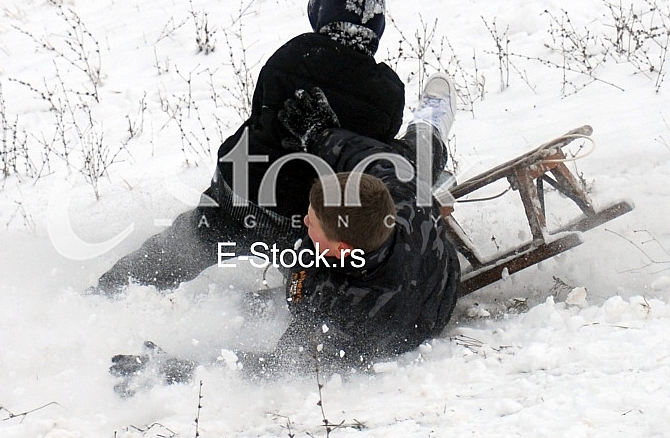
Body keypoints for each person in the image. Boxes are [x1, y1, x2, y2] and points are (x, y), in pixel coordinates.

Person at [110, 76, 462, 387]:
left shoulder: (343, 314)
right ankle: (431, 121)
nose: (305, 221)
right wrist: (319, 132)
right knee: (412, 159)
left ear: (339, 248)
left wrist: (175, 371)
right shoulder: (401, 196)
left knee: (297, 283)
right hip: (426, 269)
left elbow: (275, 367)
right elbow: (362, 154)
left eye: (313, 223)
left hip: (414, 317)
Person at [96, 0, 406, 293]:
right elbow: (366, 157)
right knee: (317, 269)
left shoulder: (293, 55)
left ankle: (113, 289)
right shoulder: (387, 93)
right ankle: (297, 314)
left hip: (240, 192)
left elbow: (262, 114)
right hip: (308, 222)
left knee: (183, 247)